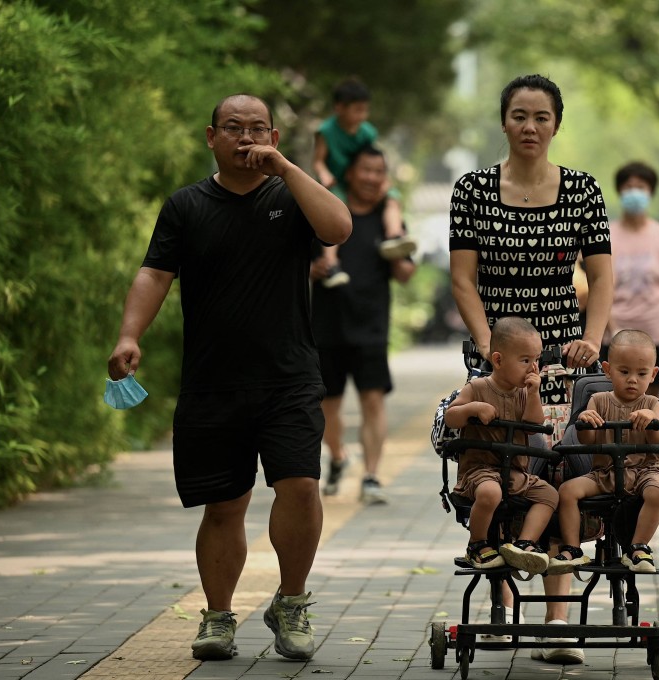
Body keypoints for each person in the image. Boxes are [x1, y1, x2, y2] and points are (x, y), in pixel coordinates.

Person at [106, 94, 352, 662]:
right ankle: (218, 618)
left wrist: (287, 168)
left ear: (271, 135)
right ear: (210, 136)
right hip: (213, 380)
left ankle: (291, 603)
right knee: (224, 506)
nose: (246, 138)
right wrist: (128, 335)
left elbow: (338, 228)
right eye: (234, 128)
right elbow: (155, 273)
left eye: (257, 129)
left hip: (289, 377)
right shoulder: (186, 206)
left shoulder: (290, 196)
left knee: (300, 486)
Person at [448, 73, 613, 664]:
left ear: (556, 125)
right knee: (496, 465)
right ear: (503, 122)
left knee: (558, 464)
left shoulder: (583, 191)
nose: (530, 127)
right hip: (494, 360)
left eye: (541, 117)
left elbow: (600, 275)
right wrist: (485, 342)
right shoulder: (471, 190)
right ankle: (499, 603)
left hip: (563, 362)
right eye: (519, 115)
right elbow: (463, 276)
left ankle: (559, 620)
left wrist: (592, 341)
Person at [310, 146, 415, 504]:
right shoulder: (325, 212)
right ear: (350, 174)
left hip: (371, 326)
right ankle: (338, 455)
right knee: (327, 404)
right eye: (365, 170)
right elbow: (301, 265)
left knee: (373, 401)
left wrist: (397, 249)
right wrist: (315, 269)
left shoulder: (388, 218)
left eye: (378, 172)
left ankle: (371, 476)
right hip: (326, 325)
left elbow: (404, 274)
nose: (371, 178)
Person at [443, 317, 557, 577]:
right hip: (479, 471)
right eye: (525, 360)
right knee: (490, 493)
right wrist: (473, 408)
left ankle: (523, 545)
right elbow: (451, 417)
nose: (533, 368)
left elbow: (533, 426)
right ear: (498, 360)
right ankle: (477, 545)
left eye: (536, 360)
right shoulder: (478, 387)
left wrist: (534, 395)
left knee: (549, 495)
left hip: (515, 472)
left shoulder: (523, 393)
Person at [551, 330, 659, 575]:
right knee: (567, 491)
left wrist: (651, 421)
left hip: (642, 471)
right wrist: (585, 420)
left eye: (641, 373)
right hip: (604, 473)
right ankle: (572, 548)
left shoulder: (651, 403)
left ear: (653, 374)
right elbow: (587, 441)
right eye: (624, 372)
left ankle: (638, 547)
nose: (632, 380)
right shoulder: (599, 400)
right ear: (607, 370)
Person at [312, 77, 415, 287]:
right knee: (335, 214)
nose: (362, 116)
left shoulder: (366, 132)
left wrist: (382, 182)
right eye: (357, 110)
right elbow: (318, 161)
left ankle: (393, 235)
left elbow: (371, 157)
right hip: (336, 184)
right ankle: (331, 263)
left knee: (392, 197)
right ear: (339, 108)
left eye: (365, 110)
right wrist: (324, 175)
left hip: (352, 181)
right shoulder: (326, 132)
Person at [604, 162, 659, 397]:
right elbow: (597, 285)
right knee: (610, 400)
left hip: (656, 331)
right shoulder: (605, 235)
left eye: (641, 187)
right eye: (629, 187)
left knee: (650, 401)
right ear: (619, 191)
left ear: (651, 192)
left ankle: (650, 436)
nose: (635, 192)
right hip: (614, 331)